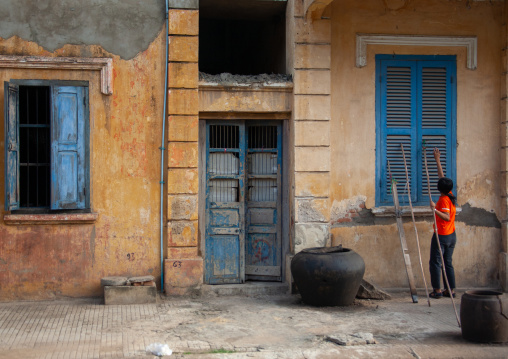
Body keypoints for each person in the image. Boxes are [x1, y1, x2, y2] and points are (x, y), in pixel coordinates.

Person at [428, 148, 457, 299]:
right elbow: (442, 177)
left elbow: (445, 216)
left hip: (442, 235)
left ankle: (437, 290)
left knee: (435, 262)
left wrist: (434, 209)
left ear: (440, 189)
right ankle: (450, 290)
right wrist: (437, 160)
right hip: (451, 235)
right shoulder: (450, 195)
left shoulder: (444, 200)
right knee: (448, 263)